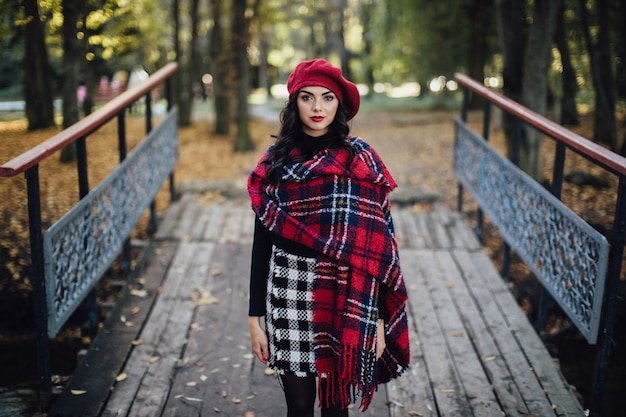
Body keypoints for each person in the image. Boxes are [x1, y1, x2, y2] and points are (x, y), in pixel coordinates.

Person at [247, 59, 410, 416]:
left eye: (327, 98)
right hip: (288, 290)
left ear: (339, 105)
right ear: (294, 104)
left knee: (336, 408)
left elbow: (379, 252)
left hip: (345, 291)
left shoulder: (360, 161)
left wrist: (379, 322)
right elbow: (263, 244)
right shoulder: (274, 165)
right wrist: (254, 317)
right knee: (300, 407)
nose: (317, 107)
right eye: (307, 98)